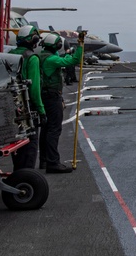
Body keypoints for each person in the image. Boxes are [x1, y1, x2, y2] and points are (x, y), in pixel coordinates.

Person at [37, 31, 84, 173]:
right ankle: (53, 163)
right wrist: (80, 46)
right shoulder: (51, 60)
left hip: (45, 96)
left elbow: (62, 58)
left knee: (45, 130)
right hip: (52, 97)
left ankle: (44, 161)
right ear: (56, 45)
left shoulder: (43, 56)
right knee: (54, 129)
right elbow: (73, 61)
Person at [8, 25, 46, 170]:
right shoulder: (32, 58)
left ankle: (18, 173)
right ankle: (26, 177)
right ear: (33, 40)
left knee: (16, 144)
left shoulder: (10, 54)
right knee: (30, 142)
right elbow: (34, 89)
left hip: (11, 106)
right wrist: (41, 111)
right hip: (27, 109)